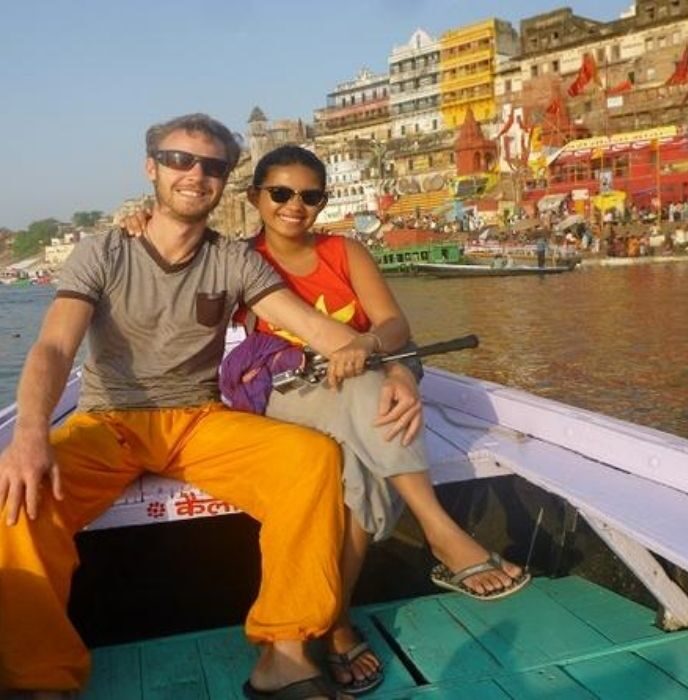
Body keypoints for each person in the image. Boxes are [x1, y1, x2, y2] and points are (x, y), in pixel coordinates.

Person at [0, 115, 382, 700]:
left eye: (212, 166)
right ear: (151, 167)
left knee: (309, 460)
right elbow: (54, 344)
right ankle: (38, 678)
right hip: (110, 421)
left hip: (199, 419)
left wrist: (383, 360)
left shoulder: (232, 260)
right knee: (17, 501)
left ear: (225, 181)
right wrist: (29, 432)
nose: (194, 174)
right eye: (180, 160)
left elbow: (307, 323)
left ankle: (284, 654)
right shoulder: (104, 251)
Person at [221, 146, 530, 693]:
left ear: (322, 202)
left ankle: (335, 621)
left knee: (357, 470)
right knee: (370, 388)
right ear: (255, 198)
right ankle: (440, 531)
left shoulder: (345, 252)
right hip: (288, 393)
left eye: (310, 195)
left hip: (361, 384)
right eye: (281, 193)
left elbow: (392, 324)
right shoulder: (240, 261)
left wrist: (378, 353)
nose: (295, 206)